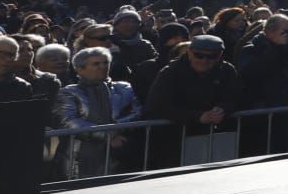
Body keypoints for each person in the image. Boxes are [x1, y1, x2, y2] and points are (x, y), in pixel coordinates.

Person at [145, 35, 243, 168]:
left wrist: (222, 109)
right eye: (199, 55)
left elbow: (235, 96)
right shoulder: (170, 72)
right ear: (189, 53)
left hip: (215, 137)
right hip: (175, 139)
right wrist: (198, 116)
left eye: (211, 57)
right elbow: (157, 105)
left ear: (220, 55)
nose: (204, 60)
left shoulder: (227, 70)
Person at [55, 47, 139, 179]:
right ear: (79, 69)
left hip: (119, 151)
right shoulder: (69, 92)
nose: (103, 66)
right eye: (96, 64)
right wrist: (107, 134)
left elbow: (137, 112)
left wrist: (117, 128)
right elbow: (68, 121)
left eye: (106, 62)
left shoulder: (124, 88)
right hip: (80, 154)